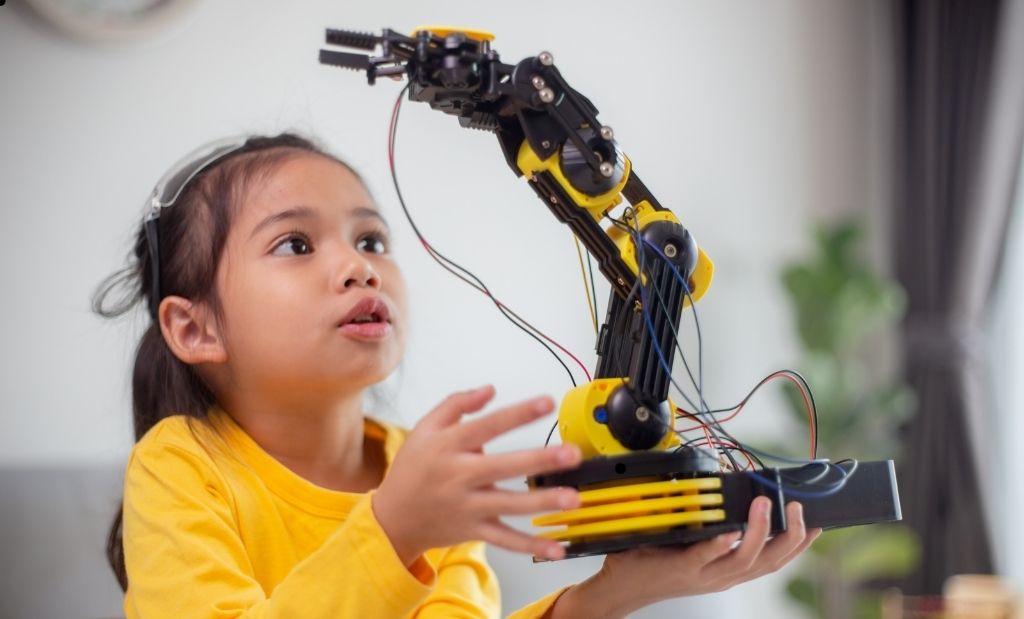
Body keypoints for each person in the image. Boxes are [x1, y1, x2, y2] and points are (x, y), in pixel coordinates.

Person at [94, 133, 820, 618]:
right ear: (196, 327)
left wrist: (605, 596)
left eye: (370, 237)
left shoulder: (428, 468)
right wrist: (392, 529)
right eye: (294, 243)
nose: (358, 265)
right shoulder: (181, 468)